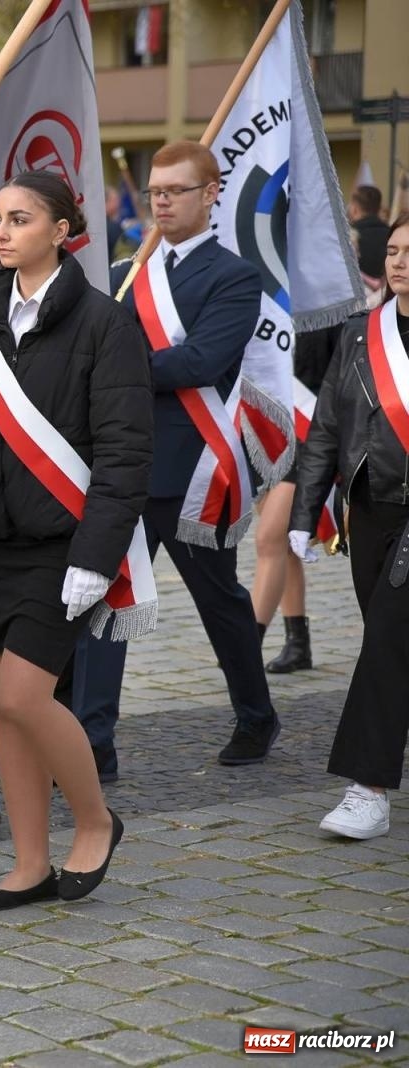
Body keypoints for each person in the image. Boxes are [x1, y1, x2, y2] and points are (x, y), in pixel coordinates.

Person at [0, 171, 151, 909]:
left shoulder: (105, 323)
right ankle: (29, 863)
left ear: (62, 230)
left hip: (63, 545)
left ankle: (96, 820)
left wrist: (96, 556)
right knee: (4, 705)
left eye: (20, 219)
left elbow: (124, 453)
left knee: (23, 694)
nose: (1, 232)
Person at [70, 141, 282, 773]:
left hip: (193, 472)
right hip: (120, 464)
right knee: (107, 597)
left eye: (175, 191)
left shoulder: (234, 276)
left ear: (210, 193)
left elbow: (200, 362)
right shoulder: (125, 271)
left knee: (219, 602)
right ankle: (93, 743)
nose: (160, 201)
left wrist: (112, 369)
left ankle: (256, 715)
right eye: (154, 191)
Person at [289, 212, 409, 840]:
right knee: (392, 638)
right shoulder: (362, 332)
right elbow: (327, 428)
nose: (400, 262)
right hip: (370, 509)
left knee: (387, 638)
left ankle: (368, 789)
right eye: (393, 251)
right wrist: (304, 511)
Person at [250, 324, 343, 673]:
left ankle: (246, 647)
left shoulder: (331, 308)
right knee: (285, 544)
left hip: (312, 436)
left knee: (269, 538)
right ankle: (298, 642)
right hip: (269, 434)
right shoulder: (264, 305)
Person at [350, 185, 388, 286]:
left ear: (354, 209)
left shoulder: (347, 238)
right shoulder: (393, 235)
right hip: (387, 292)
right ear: (379, 209)